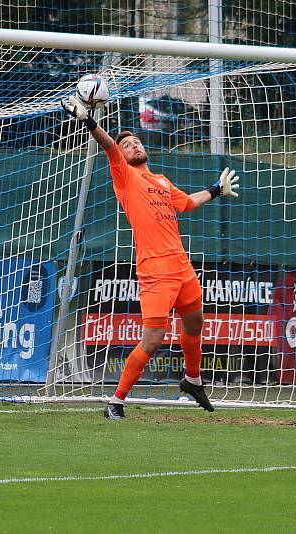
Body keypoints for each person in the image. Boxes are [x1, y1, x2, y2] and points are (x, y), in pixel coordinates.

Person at [61, 95, 239, 419]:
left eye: (136, 142)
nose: (133, 146)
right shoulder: (125, 177)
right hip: (154, 269)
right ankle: (116, 401)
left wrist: (215, 189)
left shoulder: (160, 180)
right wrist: (89, 121)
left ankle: (192, 378)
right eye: (128, 145)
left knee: (195, 320)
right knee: (154, 338)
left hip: (181, 265)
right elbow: (108, 146)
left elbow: (187, 203)